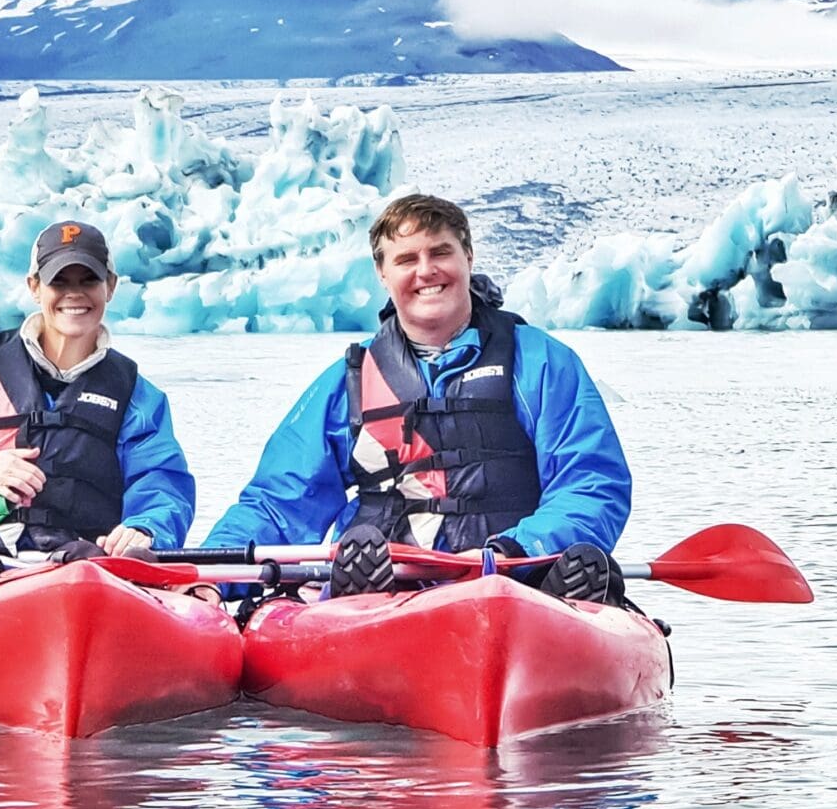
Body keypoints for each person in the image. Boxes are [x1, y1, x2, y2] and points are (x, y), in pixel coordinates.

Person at [205, 193, 632, 602]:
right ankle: (357, 607)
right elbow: (280, 502)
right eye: (407, 259)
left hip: (511, 581)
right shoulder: (351, 381)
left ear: (468, 257)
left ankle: (562, 598)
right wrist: (209, 576)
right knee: (358, 557)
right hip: (386, 581)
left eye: (440, 253)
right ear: (382, 273)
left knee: (574, 565)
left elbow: (592, 483)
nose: (426, 271)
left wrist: (513, 551)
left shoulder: (540, 362)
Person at [0, 220, 196, 579]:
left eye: (88, 280)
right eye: (58, 281)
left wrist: (145, 528)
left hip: (85, 567)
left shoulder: (139, 397)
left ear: (109, 287)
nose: (74, 294)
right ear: (34, 287)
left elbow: (162, 481)